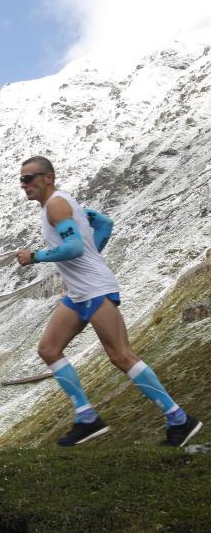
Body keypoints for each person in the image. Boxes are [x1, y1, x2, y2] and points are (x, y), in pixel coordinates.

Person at [16, 155, 201, 447]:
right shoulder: (62, 203)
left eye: (29, 178)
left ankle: (179, 418)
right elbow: (104, 223)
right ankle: (87, 417)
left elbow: (74, 247)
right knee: (49, 349)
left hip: (95, 290)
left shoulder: (56, 204)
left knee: (121, 356)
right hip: (80, 292)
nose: (23, 184)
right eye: (21, 179)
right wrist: (93, 255)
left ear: (48, 177)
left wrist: (35, 256)